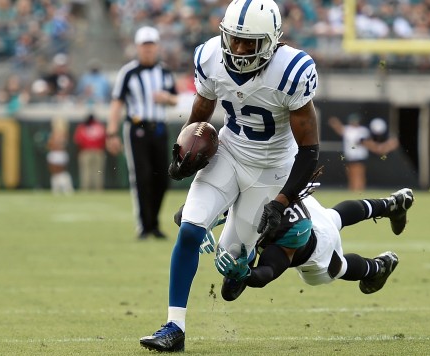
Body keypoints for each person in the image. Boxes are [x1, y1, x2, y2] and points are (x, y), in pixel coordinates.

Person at [139, 0, 320, 352]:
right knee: (190, 228)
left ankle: (240, 251)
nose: (238, 49)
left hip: (271, 169)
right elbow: (202, 110)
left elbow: (310, 150)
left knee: (231, 265)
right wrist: (184, 152)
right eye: (234, 39)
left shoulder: (292, 71)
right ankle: (174, 326)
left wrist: (282, 202)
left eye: (248, 42)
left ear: (271, 41)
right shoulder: (209, 56)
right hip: (229, 151)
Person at [180, 185, 414, 301]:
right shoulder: (249, 195)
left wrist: (245, 274)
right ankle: (391, 204)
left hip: (316, 245)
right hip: (291, 200)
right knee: (333, 216)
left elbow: (267, 272)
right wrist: (196, 219)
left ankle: (379, 267)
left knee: (332, 269)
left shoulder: (281, 243)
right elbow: (186, 212)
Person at [106, 26, 178, 239]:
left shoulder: (164, 71)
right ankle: (144, 225)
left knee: (161, 179)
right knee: (142, 176)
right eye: (144, 45)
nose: (148, 49)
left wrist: (167, 98)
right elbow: (117, 102)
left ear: (157, 47)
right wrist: (111, 132)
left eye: (151, 45)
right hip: (137, 128)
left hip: (159, 128)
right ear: (138, 48)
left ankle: (154, 222)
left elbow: (176, 99)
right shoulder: (128, 72)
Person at [328, 113, 371, 192]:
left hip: (359, 155)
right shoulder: (347, 129)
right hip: (351, 155)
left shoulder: (362, 130)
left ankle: (360, 189)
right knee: (351, 173)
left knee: (359, 173)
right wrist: (334, 122)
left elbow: (363, 141)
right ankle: (353, 188)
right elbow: (339, 129)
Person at [73, 113, 106, 191]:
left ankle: (85, 190)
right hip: (98, 151)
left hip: (85, 151)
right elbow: (105, 139)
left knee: (86, 172)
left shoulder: (82, 127)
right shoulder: (100, 127)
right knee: (98, 172)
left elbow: (77, 140)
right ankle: (98, 190)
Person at [47, 117, 74, 195]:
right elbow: (50, 145)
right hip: (54, 154)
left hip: (60, 155)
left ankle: (66, 187)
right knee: (54, 172)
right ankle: (56, 188)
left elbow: (61, 145)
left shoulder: (64, 134)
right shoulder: (53, 134)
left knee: (61, 172)